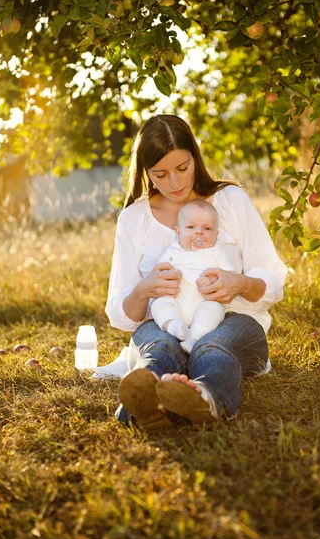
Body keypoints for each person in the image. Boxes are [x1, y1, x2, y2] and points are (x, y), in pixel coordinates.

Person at [105, 114, 288, 431]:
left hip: (233, 324)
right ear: (146, 172)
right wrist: (145, 289)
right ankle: (142, 396)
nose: (174, 183)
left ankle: (204, 396)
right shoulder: (133, 219)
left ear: (196, 158)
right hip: (164, 323)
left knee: (214, 346)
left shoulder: (229, 200)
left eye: (182, 168)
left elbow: (272, 281)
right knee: (157, 347)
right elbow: (122, 315)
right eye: (160, 174)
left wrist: (240, 283)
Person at [151, 199, 235, 354]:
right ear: (178, 232)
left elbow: (229, 277)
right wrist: (168, 277)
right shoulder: (172, 252)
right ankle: (174, 326)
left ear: (216, 235)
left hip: (203, 302)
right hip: (176, 300)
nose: (199, 232)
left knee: (215, 309)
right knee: (159, 305)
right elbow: (159, 274)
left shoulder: (216, 253)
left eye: (207, 228)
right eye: (191, 227)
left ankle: (194, 339)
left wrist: (211, 280)